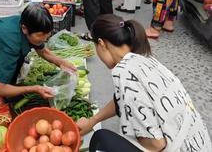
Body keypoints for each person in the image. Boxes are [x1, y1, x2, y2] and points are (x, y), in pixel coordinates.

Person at [77, 14, 212, 152]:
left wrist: (134, 138)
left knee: (101, 138)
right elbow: (123, 98)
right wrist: (92, 121)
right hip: (199, 143)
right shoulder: (144, 59)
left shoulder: (124, 72)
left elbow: (156, 144)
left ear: (101, 44)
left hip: (177, 147)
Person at [0, 4, 76, 98]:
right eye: (40, 35)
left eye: (47, 34)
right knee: (1, 96)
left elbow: (43, 51)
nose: (45, 39)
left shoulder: (28, 22)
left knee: (15, 69)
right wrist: (34, 88)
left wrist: (61, 62)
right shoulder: (11, 45)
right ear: (24, 29)